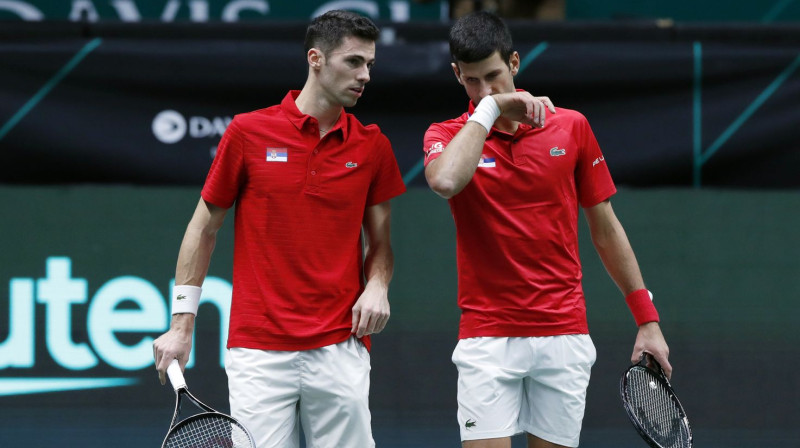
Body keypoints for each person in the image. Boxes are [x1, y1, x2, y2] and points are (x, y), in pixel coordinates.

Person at [152, 10, 406, 448]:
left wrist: (378, 285)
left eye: (370, 65)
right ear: (316, 59)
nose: (365, 75)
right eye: (354, 62)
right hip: (258, 351)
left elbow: (380, 244)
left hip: (340, 345)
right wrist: (181, 324)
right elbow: (203, 229)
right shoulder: (248, 132)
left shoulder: (373, 147)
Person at [422, 11, 671, 448]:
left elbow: (606, 229)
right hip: (487, 337)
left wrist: (646, 320)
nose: (484, 89)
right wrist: (491, 107)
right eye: (472, 81)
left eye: (495, 77)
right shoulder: (447, 134)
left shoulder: (572, 127)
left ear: (515, 63)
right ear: (456, 75)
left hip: (563, 333)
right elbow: (445, 181)